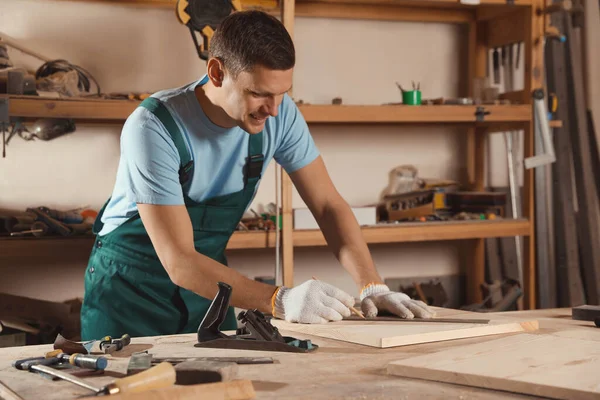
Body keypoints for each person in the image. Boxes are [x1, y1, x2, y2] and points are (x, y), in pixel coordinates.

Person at [80, 10, 434, 340]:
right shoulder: (153, 126)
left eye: (282, 94)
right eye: (259, 94)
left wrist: (373, 286)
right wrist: (279, 300)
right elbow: (181, 261)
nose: (274, 109)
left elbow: (327, 205)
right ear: (217, 73)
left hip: (211, 292)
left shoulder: (278, 114)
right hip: (128, 293)